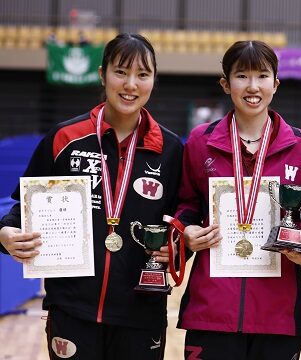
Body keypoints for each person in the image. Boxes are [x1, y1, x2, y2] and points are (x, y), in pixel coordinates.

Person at [0, 33, 183, 359]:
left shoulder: (170, 151)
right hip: (72, 311)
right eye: (121, 72)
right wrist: (5, 233)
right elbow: (23, 208)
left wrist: (180, 244)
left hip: (141, 315)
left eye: (143, 74)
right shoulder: (64, 138)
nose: (131, 84)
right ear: (102, 74)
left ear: (154, 80)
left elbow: (184, 218)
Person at [174, 40, 301, 360]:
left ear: (275, 84)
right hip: (212, 308)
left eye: (262, 76)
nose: (252, 86)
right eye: (242, 76)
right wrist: (185, 232)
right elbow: (186, 204)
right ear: (226, 84)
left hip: (277, 313)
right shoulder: (200, 141)